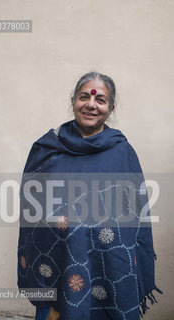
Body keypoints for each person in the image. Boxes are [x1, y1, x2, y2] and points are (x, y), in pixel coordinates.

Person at [17, 72, 161, 320]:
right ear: (73, 100)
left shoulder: (122, 153)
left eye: (100, 100)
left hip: (108, 266)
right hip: (56, 260)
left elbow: (134, 214)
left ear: (110, 107)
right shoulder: (47, 148)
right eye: (84, 97)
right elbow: (32, 207)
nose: (91, 105)